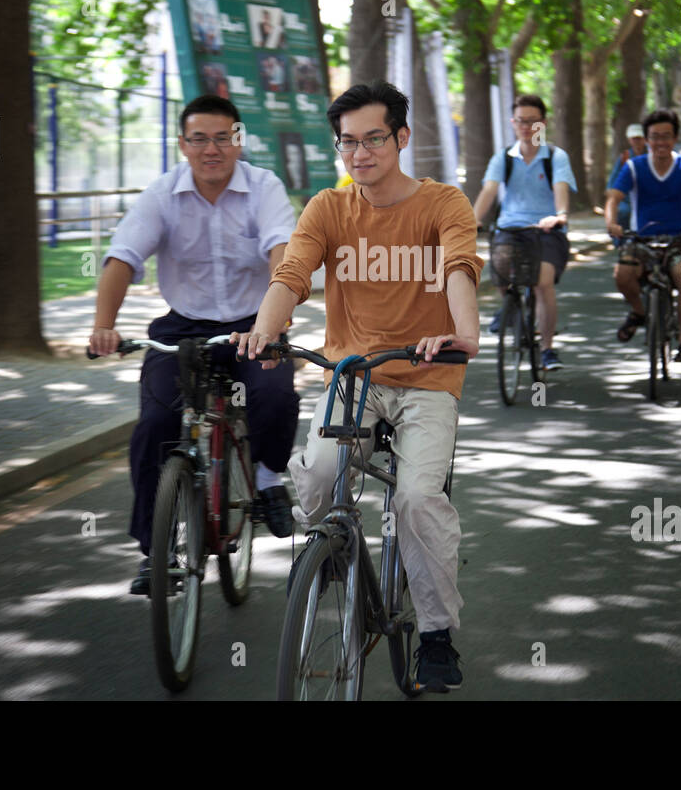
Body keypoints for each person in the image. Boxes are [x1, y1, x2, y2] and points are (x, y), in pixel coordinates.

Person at [235, 80, 481, 693]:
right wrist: (265, 332)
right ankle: (325, 557)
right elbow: (291, 275)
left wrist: (463, 334)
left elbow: (458, 268)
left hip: (427, 376)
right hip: (354, 376)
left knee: (418, 500)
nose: (360, 153)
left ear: (401, 137)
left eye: (374, 139)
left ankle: (436, 634)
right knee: (318, 473)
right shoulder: (328, 208)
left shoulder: (444, 204)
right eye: (348, 142)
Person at [89, 94, 301, 595]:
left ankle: (269, 480)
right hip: (184, 328)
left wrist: (273, 323)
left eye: (223, 138)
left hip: (255, 322)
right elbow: (122, 257)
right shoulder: (163, 193)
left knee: (274, 396)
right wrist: (103, 326)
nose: (212, 149)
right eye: (200, 138)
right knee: (155, 426)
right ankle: (154, 550)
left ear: (237, 141)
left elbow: (282, 252)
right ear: (183, 144)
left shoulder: (263, 187)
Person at [471, 94, 576, 371]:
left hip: (546, 230)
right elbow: (489, 191)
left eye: (532, 121)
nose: (526, 127)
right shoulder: (503, 158)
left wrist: (560, 215)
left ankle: (548, 349)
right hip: (510, 228)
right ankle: (511, 308)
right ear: (513, 123)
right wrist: (471, 221)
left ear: (543, 123)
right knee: (501, 274)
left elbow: (561, 190)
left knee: (542, 283)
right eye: (521, 121)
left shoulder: (555, 157)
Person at [605, 109, 681, 363]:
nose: (660, 142)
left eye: (666, 136)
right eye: (654, 137)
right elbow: (614, 198)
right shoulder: (634, 167)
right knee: (623, 274)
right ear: (646, 139)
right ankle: (639, 311)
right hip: (640, 239)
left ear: (675, 139)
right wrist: (611, 223)